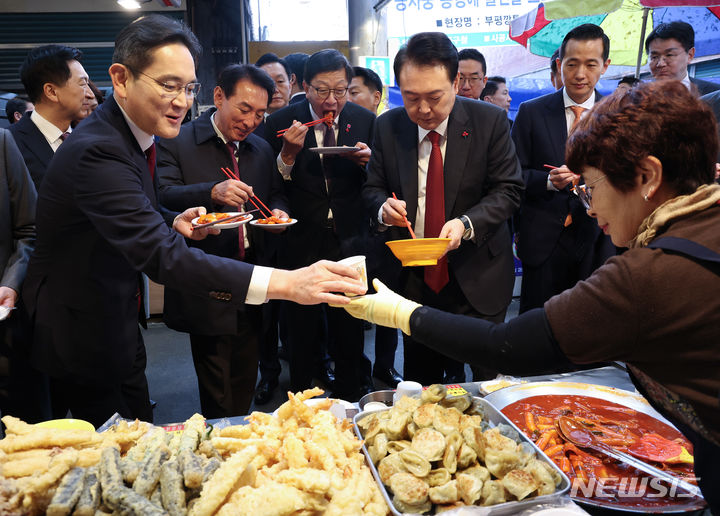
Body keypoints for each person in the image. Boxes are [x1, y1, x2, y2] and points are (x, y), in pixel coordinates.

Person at [343, 81, 720, 513]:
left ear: (648, 176)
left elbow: (511, 346)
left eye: (591, 188)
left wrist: (401, 313)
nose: (590, 207)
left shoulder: (648, 275)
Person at [21, 15, 365, 428]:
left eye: (187, 88)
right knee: (111, 449)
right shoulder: (100, 149)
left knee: (137, 424)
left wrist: (173, 220)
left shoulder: (132, 137)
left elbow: (134, 214)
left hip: (115, 318)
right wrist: (288, 283)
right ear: (121, 78)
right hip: (81, 327)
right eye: (168, 85)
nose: (181, 101)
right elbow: (162, 258)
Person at [363, 32, 523, 385]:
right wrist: (382, 209)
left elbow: (509, 189)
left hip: (477, 273)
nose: (422, 110)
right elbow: (372, 188)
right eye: (410, 98)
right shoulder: (388, 126)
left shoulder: (489, 122)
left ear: (455, 82)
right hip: (416, 279)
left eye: (434, 97)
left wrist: (466, 223)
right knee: (423, 383)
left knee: (489, 379)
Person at [157, 64, 289, 418]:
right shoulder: (177, 141)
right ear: (218, 96)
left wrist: (276, 214)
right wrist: (211, 192)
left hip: (253, 274)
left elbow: (276, 194)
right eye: (244, 109)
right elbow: (162, 195)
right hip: (206, 278)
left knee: (247, 367)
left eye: (260, 114)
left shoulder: (259, 149)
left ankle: (240, 432)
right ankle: (219, 440)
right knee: (215, 378)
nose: (251, 121)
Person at [264, 49, 375, 401]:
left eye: (341, 90)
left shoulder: (365, 120)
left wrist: (366, 164)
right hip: (301, 237)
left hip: (350, 238)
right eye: (322, 90)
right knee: (301, 327)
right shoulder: (281, 121)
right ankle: (302, 395)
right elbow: (272, 185)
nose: (332, 100)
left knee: (350, 322)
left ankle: (350, 395)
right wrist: (287, 155)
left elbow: (379, 181)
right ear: (304, 86)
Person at [511, 23, 616, 313]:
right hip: (544, 238)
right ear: (559, 65)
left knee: (590, 324)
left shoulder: (617, 114)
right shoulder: (531, 112)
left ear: (605, 66)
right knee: (538, 328)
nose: (580, 74)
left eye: (591, 64)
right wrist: (547, 180)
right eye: (572, 64)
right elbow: (511, 174)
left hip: (599, 237)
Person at [0, 129, 50, 425]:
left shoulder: (3, 143)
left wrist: (11, 281)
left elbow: (30, 228)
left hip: (7, 323)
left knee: (30, 430)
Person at [9, 44, 94, 191]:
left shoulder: (92, 139)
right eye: (83, 84)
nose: (90, 94)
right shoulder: (10, 145)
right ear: (51, 92)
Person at [646, 21, 720, 96]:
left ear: (690, 55)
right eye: (654, 57)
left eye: (669, 55)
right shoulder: (640, 97)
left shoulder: (715, 94)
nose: (660, 64)